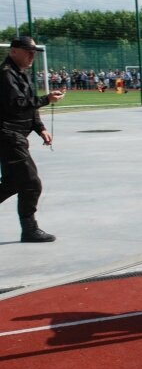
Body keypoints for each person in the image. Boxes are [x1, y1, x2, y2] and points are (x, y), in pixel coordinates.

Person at [0, 37, 65, 242]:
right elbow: (18, 103)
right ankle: (29, 229)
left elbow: (30, 107)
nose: (32, 56)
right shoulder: (6, 75)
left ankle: (29, 229)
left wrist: (41, 128)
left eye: (34, 52)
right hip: (8, 135)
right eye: (28, 51)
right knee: (31, 182)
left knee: (12, 183)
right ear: (14, 52)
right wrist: (47, 99)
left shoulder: (22, 74)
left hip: (17, 135)